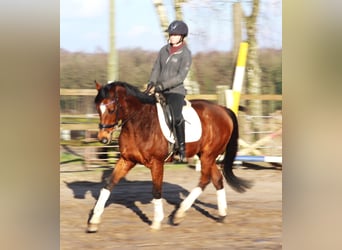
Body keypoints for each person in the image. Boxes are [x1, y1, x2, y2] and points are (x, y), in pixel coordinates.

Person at [146, 20, 192, 162]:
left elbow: (180, 77)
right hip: (158, 89)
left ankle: (181, 148)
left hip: (175, 91)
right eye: (171, 34)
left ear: (182, 36)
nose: (172, 37)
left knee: (176, 117)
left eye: (175, 35)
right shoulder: (163, 50)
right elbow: (156, 68)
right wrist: (151, 83)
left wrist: (161, 86)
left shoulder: (186, 54)